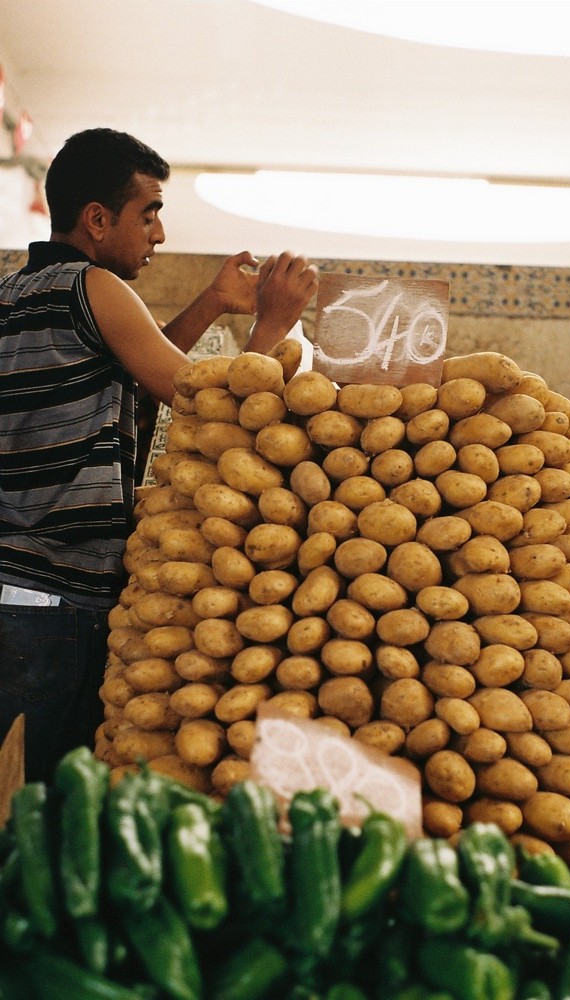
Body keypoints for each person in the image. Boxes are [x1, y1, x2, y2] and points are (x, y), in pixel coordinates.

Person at [0, 127, 319, 781]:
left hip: (13, 592)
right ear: (96, 219)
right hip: (56, 602)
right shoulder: (94, 287)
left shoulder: (15, 295)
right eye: (149, 213)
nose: (159, 234)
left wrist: (212, 304)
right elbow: (206, 404)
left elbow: (129, 370)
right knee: (43, 810)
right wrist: (271, 325)